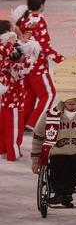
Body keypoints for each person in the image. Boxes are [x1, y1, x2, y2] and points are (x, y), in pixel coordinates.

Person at [16, 0, 64, 131]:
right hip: (37, 66)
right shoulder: (38, 21)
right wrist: (61, 59)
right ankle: (34, 123)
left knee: (30, 95)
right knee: (48, 94)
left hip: (25, 66)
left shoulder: (24, 19)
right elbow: (44, 46)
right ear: (41, 5)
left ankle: (23, 122)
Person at [31, 99, 76, 207]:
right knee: (57, 164)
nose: (72, 103)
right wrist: (35, 161)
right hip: (58, 153)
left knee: (74, 164)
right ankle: (63, 194)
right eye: (70, 100)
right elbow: (38, 137)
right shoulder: (50, 115)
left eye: (75, 101)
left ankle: (63, 194)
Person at [0, 24, 39, 161]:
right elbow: (18, 71)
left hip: (6, 93)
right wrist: (24, 63)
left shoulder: (4, 47)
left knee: (4, 121)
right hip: (14, 94)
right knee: (14, 125)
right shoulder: (10, 50)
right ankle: (13, 152)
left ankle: (3, 148)